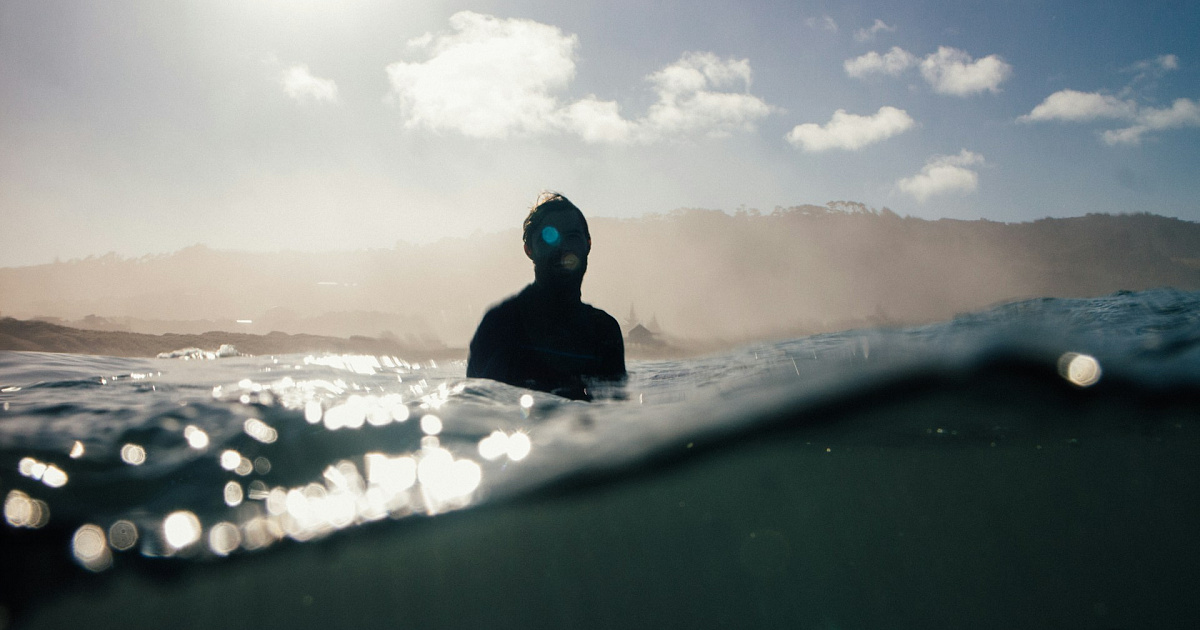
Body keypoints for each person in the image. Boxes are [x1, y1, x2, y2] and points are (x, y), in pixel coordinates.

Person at [467, 192, 625, 400]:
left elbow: (615, 414)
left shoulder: (604, 331)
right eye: (549, 237)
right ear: (529, 250)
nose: (563, 248)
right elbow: (475, 411)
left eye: (572, 237)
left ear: (587, 245)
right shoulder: (500, 324)